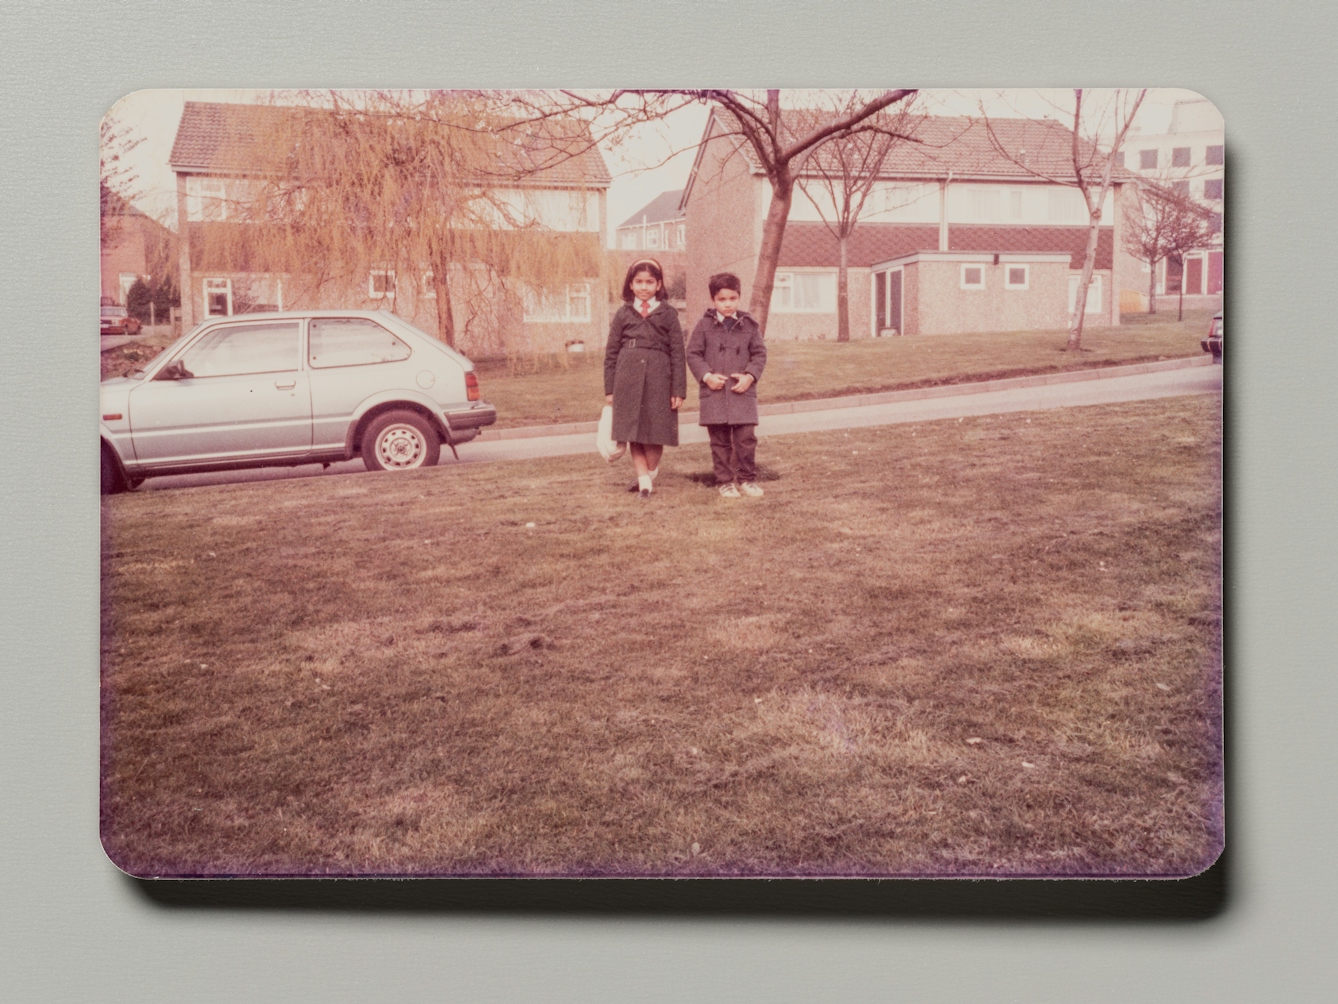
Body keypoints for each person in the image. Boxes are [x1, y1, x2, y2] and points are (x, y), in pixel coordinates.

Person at [604, 258, 686, 499]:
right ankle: (644, 483)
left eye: (650, 282)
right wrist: (610, 389)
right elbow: (610, 353)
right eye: (638, 282)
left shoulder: (668, 313)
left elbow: (678, 353)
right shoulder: (623, 313)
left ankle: (647, 475)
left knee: (655, 433)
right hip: (627, 376)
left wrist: (678, 389)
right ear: (630, 284)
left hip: (659, 377)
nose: (644, 287)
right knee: (632, 431)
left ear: (658, 284)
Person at [686, 272, 767, 499]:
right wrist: (707, 376)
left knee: (746, 439)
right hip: (715, 394)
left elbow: (760, 354)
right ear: (713, 300)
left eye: (733, 298)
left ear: (739, 298)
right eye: (722, 299)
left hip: (742, 392)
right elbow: (693, 354)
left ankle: (747, 480)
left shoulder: (750, 325)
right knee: (719, 442)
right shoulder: (703, 326)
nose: (728, 304)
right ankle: (724, 482)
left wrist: (750, 376)